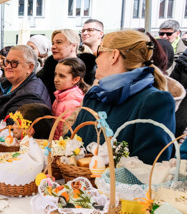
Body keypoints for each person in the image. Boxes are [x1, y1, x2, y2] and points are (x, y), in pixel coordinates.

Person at [71, 30, 175, 164]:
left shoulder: (154, 100)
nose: (96, 58)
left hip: (116, 185)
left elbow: (151, 164)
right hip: (77, 182)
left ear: (114, 55)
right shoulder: (94, 96)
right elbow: (72, 139)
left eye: (100, 50)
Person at [0, 45, 51, 124]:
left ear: (30, 67)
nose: (8, 66)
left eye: (14, 63)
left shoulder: (31, 96)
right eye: (7, 62)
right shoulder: (4, 83)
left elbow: (10, 126)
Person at [37, 29, 96, 102]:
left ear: (73, 46)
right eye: (53, 43)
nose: (53, 47)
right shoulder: (46, 72)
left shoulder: (91, 71)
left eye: (59, 42)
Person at [52, 57, 88, 138]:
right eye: (55, 74)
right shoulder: (60, 96)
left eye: (62, 76)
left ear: (75, 79)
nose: (55, 79)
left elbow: (66, 133)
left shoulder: (72, 103)